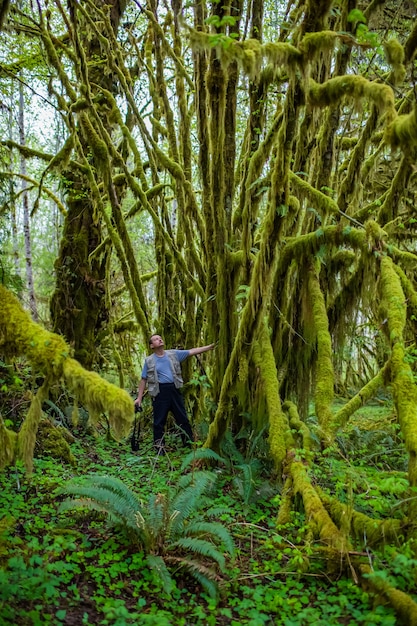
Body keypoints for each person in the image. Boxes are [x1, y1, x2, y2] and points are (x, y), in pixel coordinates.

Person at [135, 334, 215, 455]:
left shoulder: (173, 354)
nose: (160, 339)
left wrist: (209, 347)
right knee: (158, 421)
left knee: (182, 418)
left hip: (174, 390)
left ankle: (189, 444)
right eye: (156, 339)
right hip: (159, 392)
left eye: (160, 338)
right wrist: (139, 398)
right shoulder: (149, 360)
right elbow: (143, 379)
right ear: (152, 345)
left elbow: (192, 351)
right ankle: (159, 448)